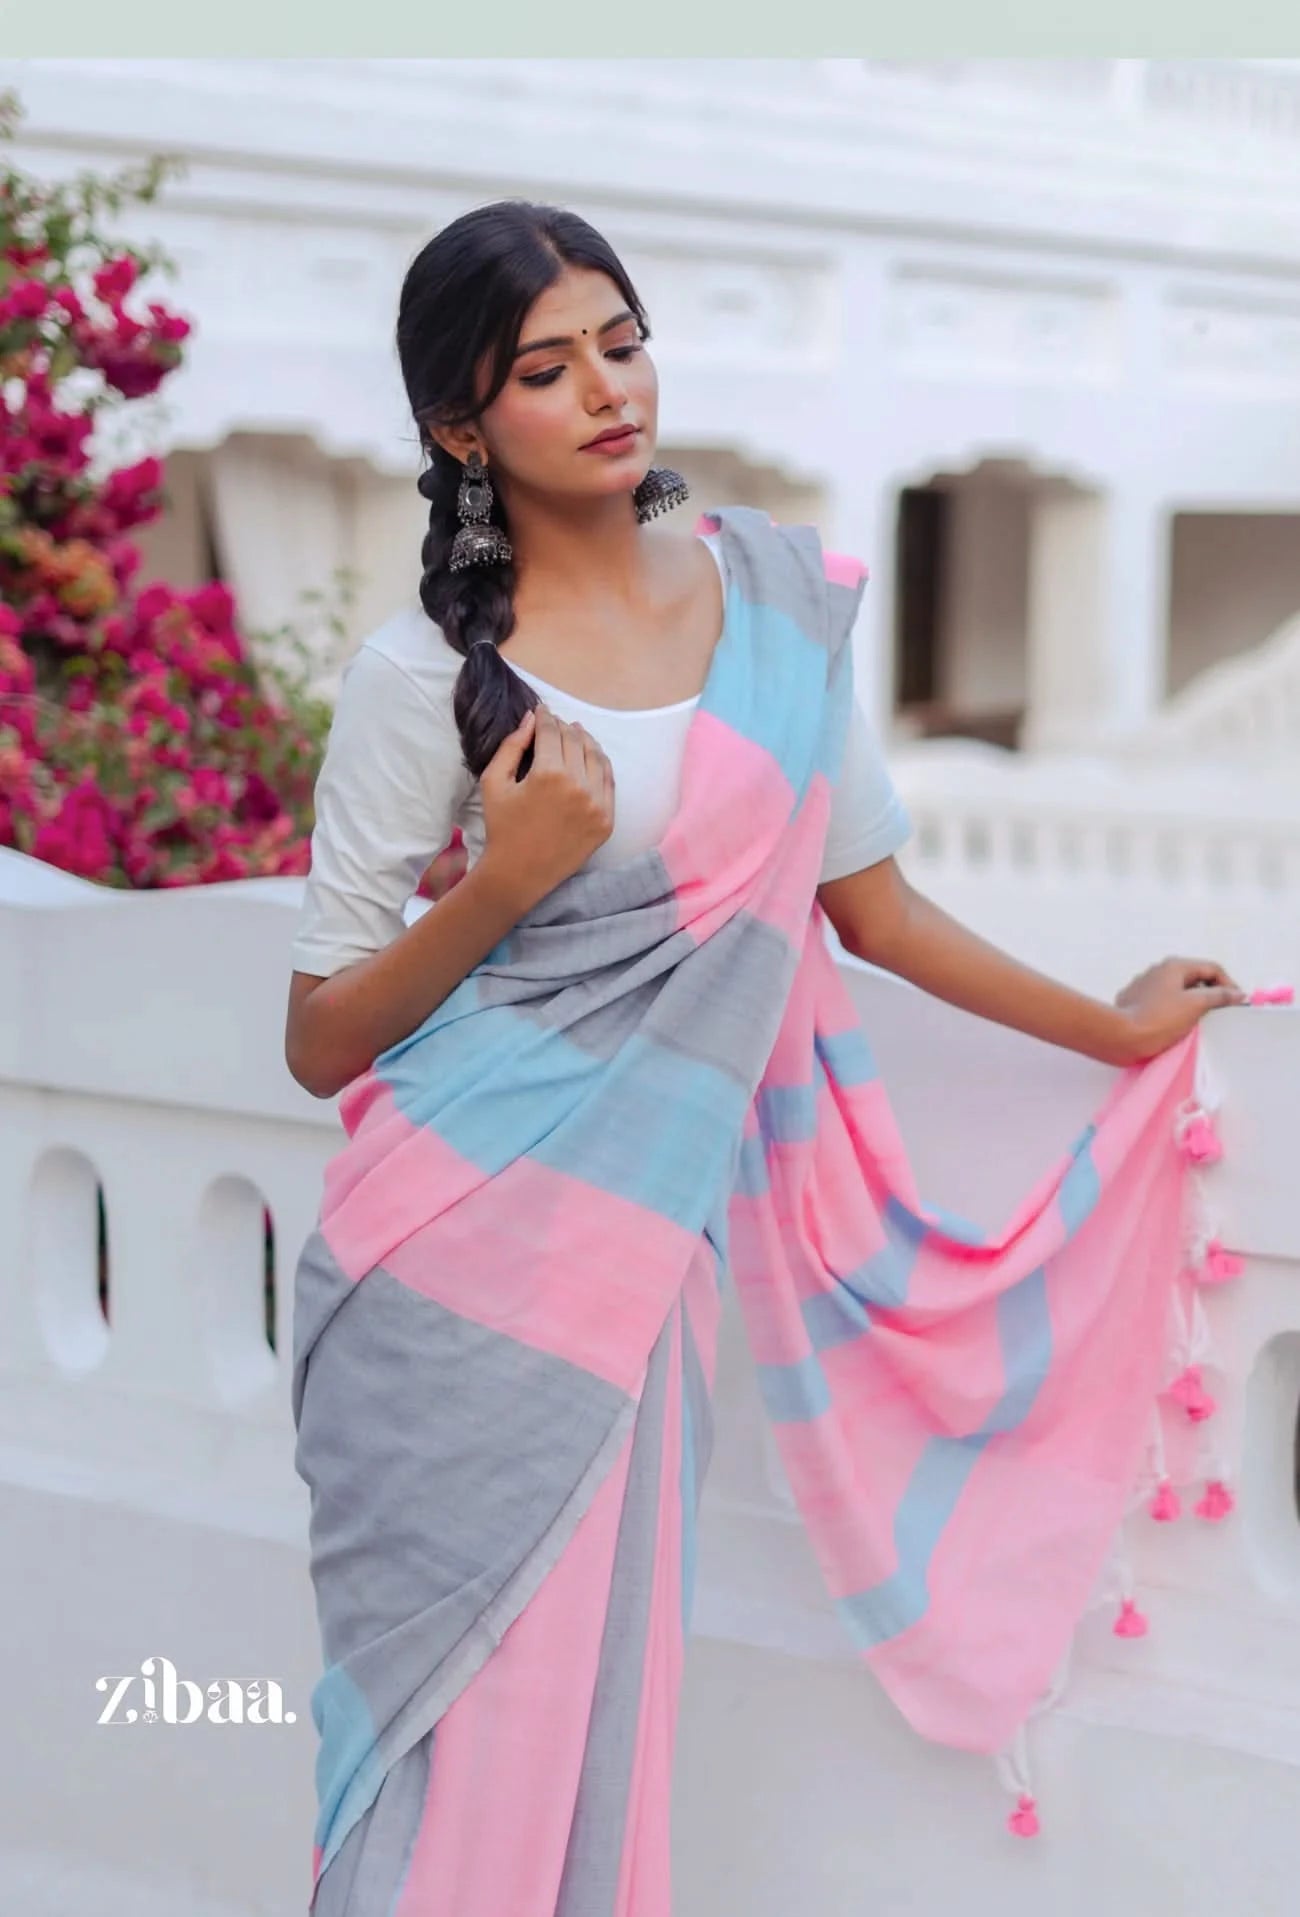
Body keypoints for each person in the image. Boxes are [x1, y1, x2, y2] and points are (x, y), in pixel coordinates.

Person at [283, 200, 1243, 1916]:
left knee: (593, 1719)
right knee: (438, 1740)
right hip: (436, 1270)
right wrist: (499, 885)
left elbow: (870, 908)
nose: (606, 392)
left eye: (623, 343)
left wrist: (1109, 1024)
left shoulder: (775, 603)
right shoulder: (421, 674)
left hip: (645, 1268)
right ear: (458, 428)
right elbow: (322, 1032)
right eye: (545, 368)